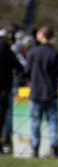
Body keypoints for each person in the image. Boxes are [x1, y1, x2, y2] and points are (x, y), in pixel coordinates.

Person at [25, 26, 58, 158]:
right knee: (53, 122)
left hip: (36, 93)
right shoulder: (55, 53)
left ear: (41, 35)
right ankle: (54, 149)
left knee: (35, 123)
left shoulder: (32, 52)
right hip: (51, 93)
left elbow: (26, 71)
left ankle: (35, 150)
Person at [0, 26, 23, 154]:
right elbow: (18, 65)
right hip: (2, 88)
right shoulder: (6, 50)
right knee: (3, 115)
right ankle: (4, 141)